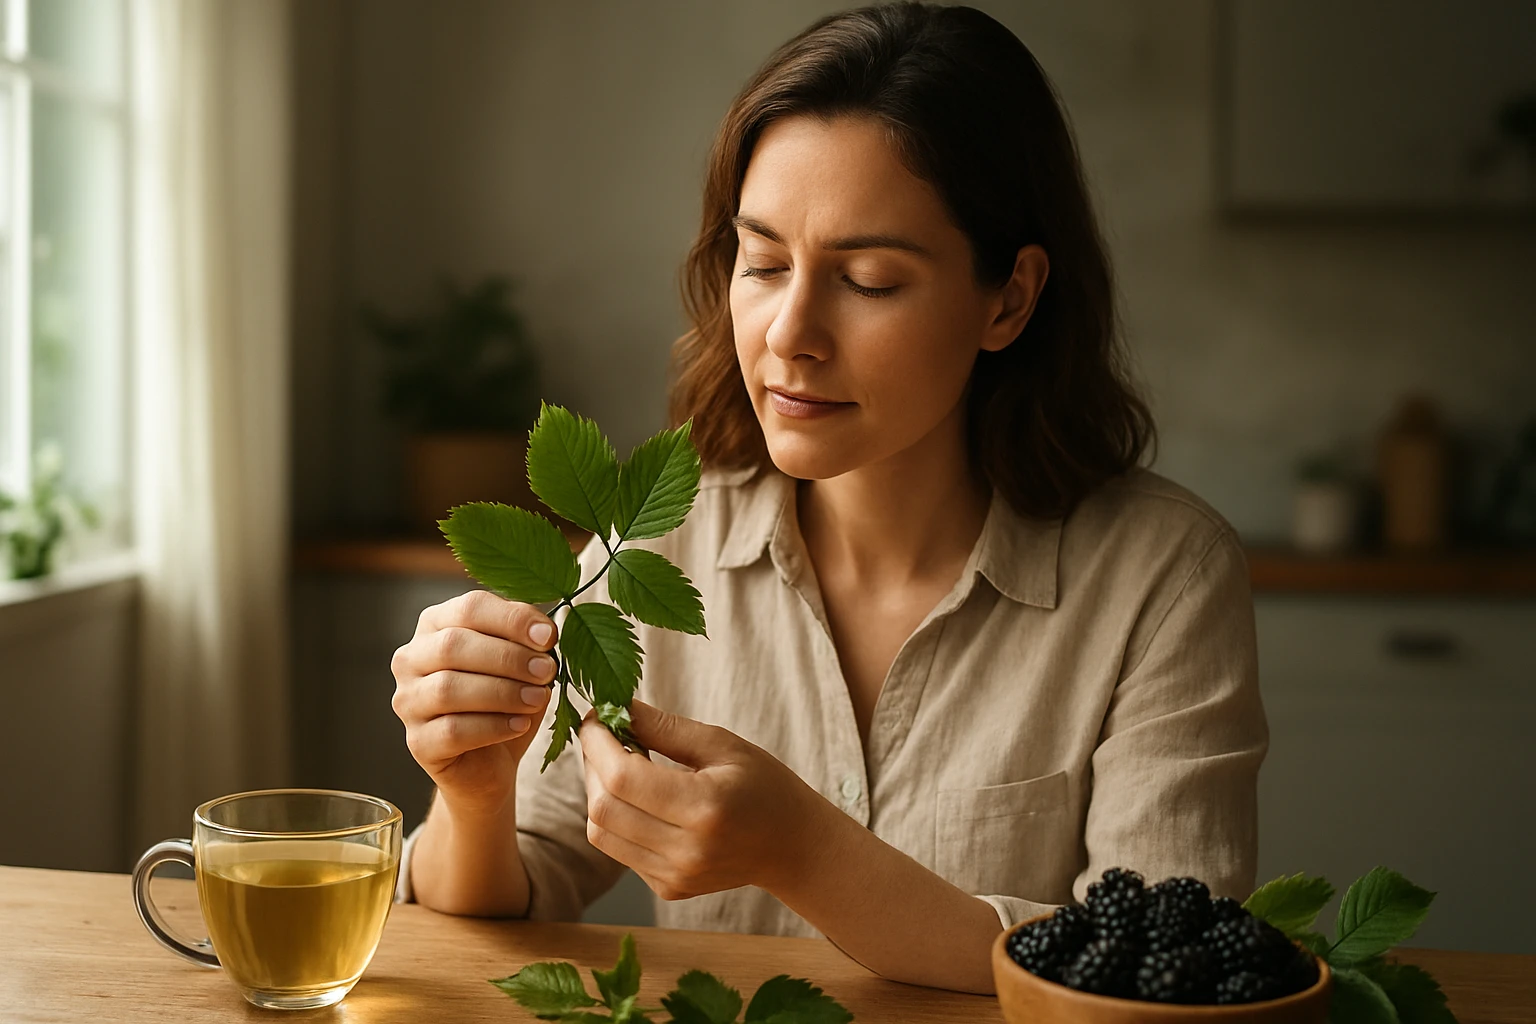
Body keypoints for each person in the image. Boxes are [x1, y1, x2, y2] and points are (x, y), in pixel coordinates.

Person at [388, 2, 1265, 995]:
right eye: (762, 263)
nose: (788, 332)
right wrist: (470, 789)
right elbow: (520, 885)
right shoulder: (659, 543)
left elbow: (1162, 972)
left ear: (1009, 298)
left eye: (870, 279)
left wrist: (803, 851)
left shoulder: (1161, 575)